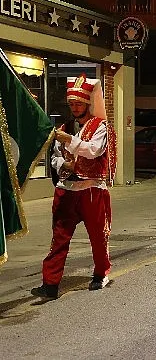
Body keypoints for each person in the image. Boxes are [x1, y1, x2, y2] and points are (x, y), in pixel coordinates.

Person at [31, 74, 117, 299]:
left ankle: (100, 273)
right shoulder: (65, 126)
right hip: (67, 190)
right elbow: (55, 157)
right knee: (59, 238)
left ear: (88, 102)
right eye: (72, 104)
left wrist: (68, 140)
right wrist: (63, 163)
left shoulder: (100, 126)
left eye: (79, 103)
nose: (75, 107)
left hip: (91, 191)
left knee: (98, 237)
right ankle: (50, 284)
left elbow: (93, 150)